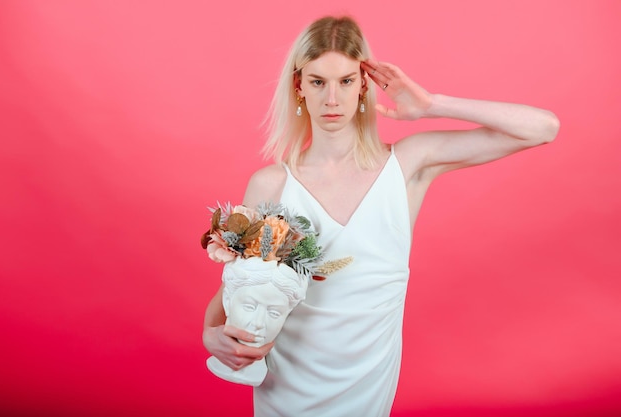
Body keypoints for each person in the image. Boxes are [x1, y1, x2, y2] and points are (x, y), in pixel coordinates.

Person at [202, 15, 559, 417]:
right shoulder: (270, 185)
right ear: (299, 86)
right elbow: (233, 293)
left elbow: (543, 128)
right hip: (284, 395)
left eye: (346, 81)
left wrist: (431, 105)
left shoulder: (407, 166)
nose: (332, 99)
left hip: (366, 401)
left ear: (364, 85)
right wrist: (210, 335)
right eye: (318, 81)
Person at [206, 256, 308, 386]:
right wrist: (210, 331)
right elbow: (230, 288)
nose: (258, 323)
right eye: (249, 307)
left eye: (274, 313)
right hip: (274, 376)